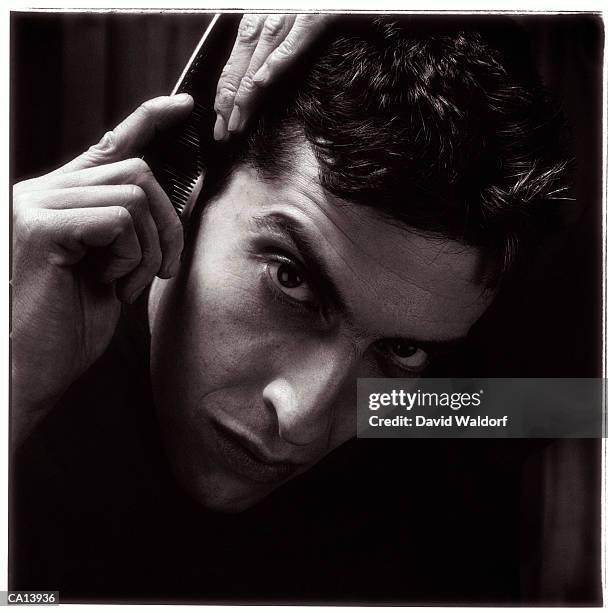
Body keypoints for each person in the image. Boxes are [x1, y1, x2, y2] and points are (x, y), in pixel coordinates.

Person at [12, 13, 592, 604]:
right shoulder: (32, 384)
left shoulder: (418, 419)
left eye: (401, 349)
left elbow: (582, 405)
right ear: (187, 186)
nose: (302, 420)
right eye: (292, 282)